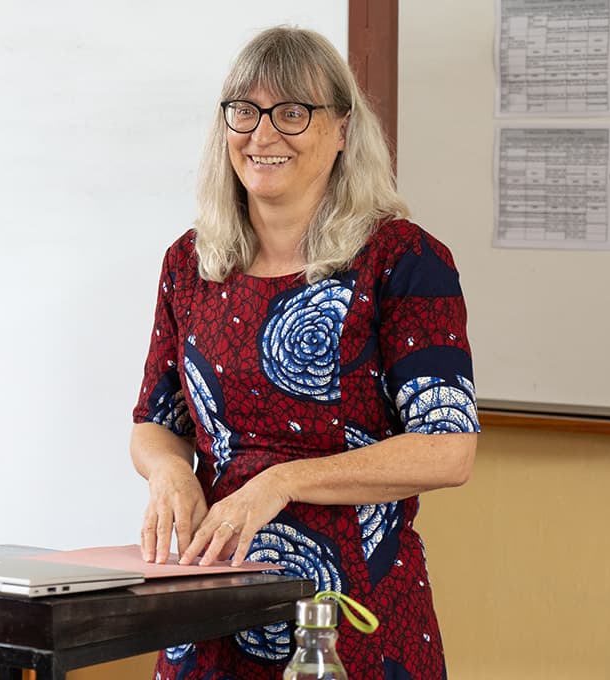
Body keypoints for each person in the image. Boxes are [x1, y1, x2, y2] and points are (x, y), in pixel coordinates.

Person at [130, 26, 479, 680]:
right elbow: (155, 422)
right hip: (210, 606)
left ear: (343, 129)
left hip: (352, 616)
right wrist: (169, 473)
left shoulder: (403, 261)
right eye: (246, 111)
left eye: (293, 113)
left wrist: (281, 482)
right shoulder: (190, 262)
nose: (263, 135)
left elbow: (449, 449)